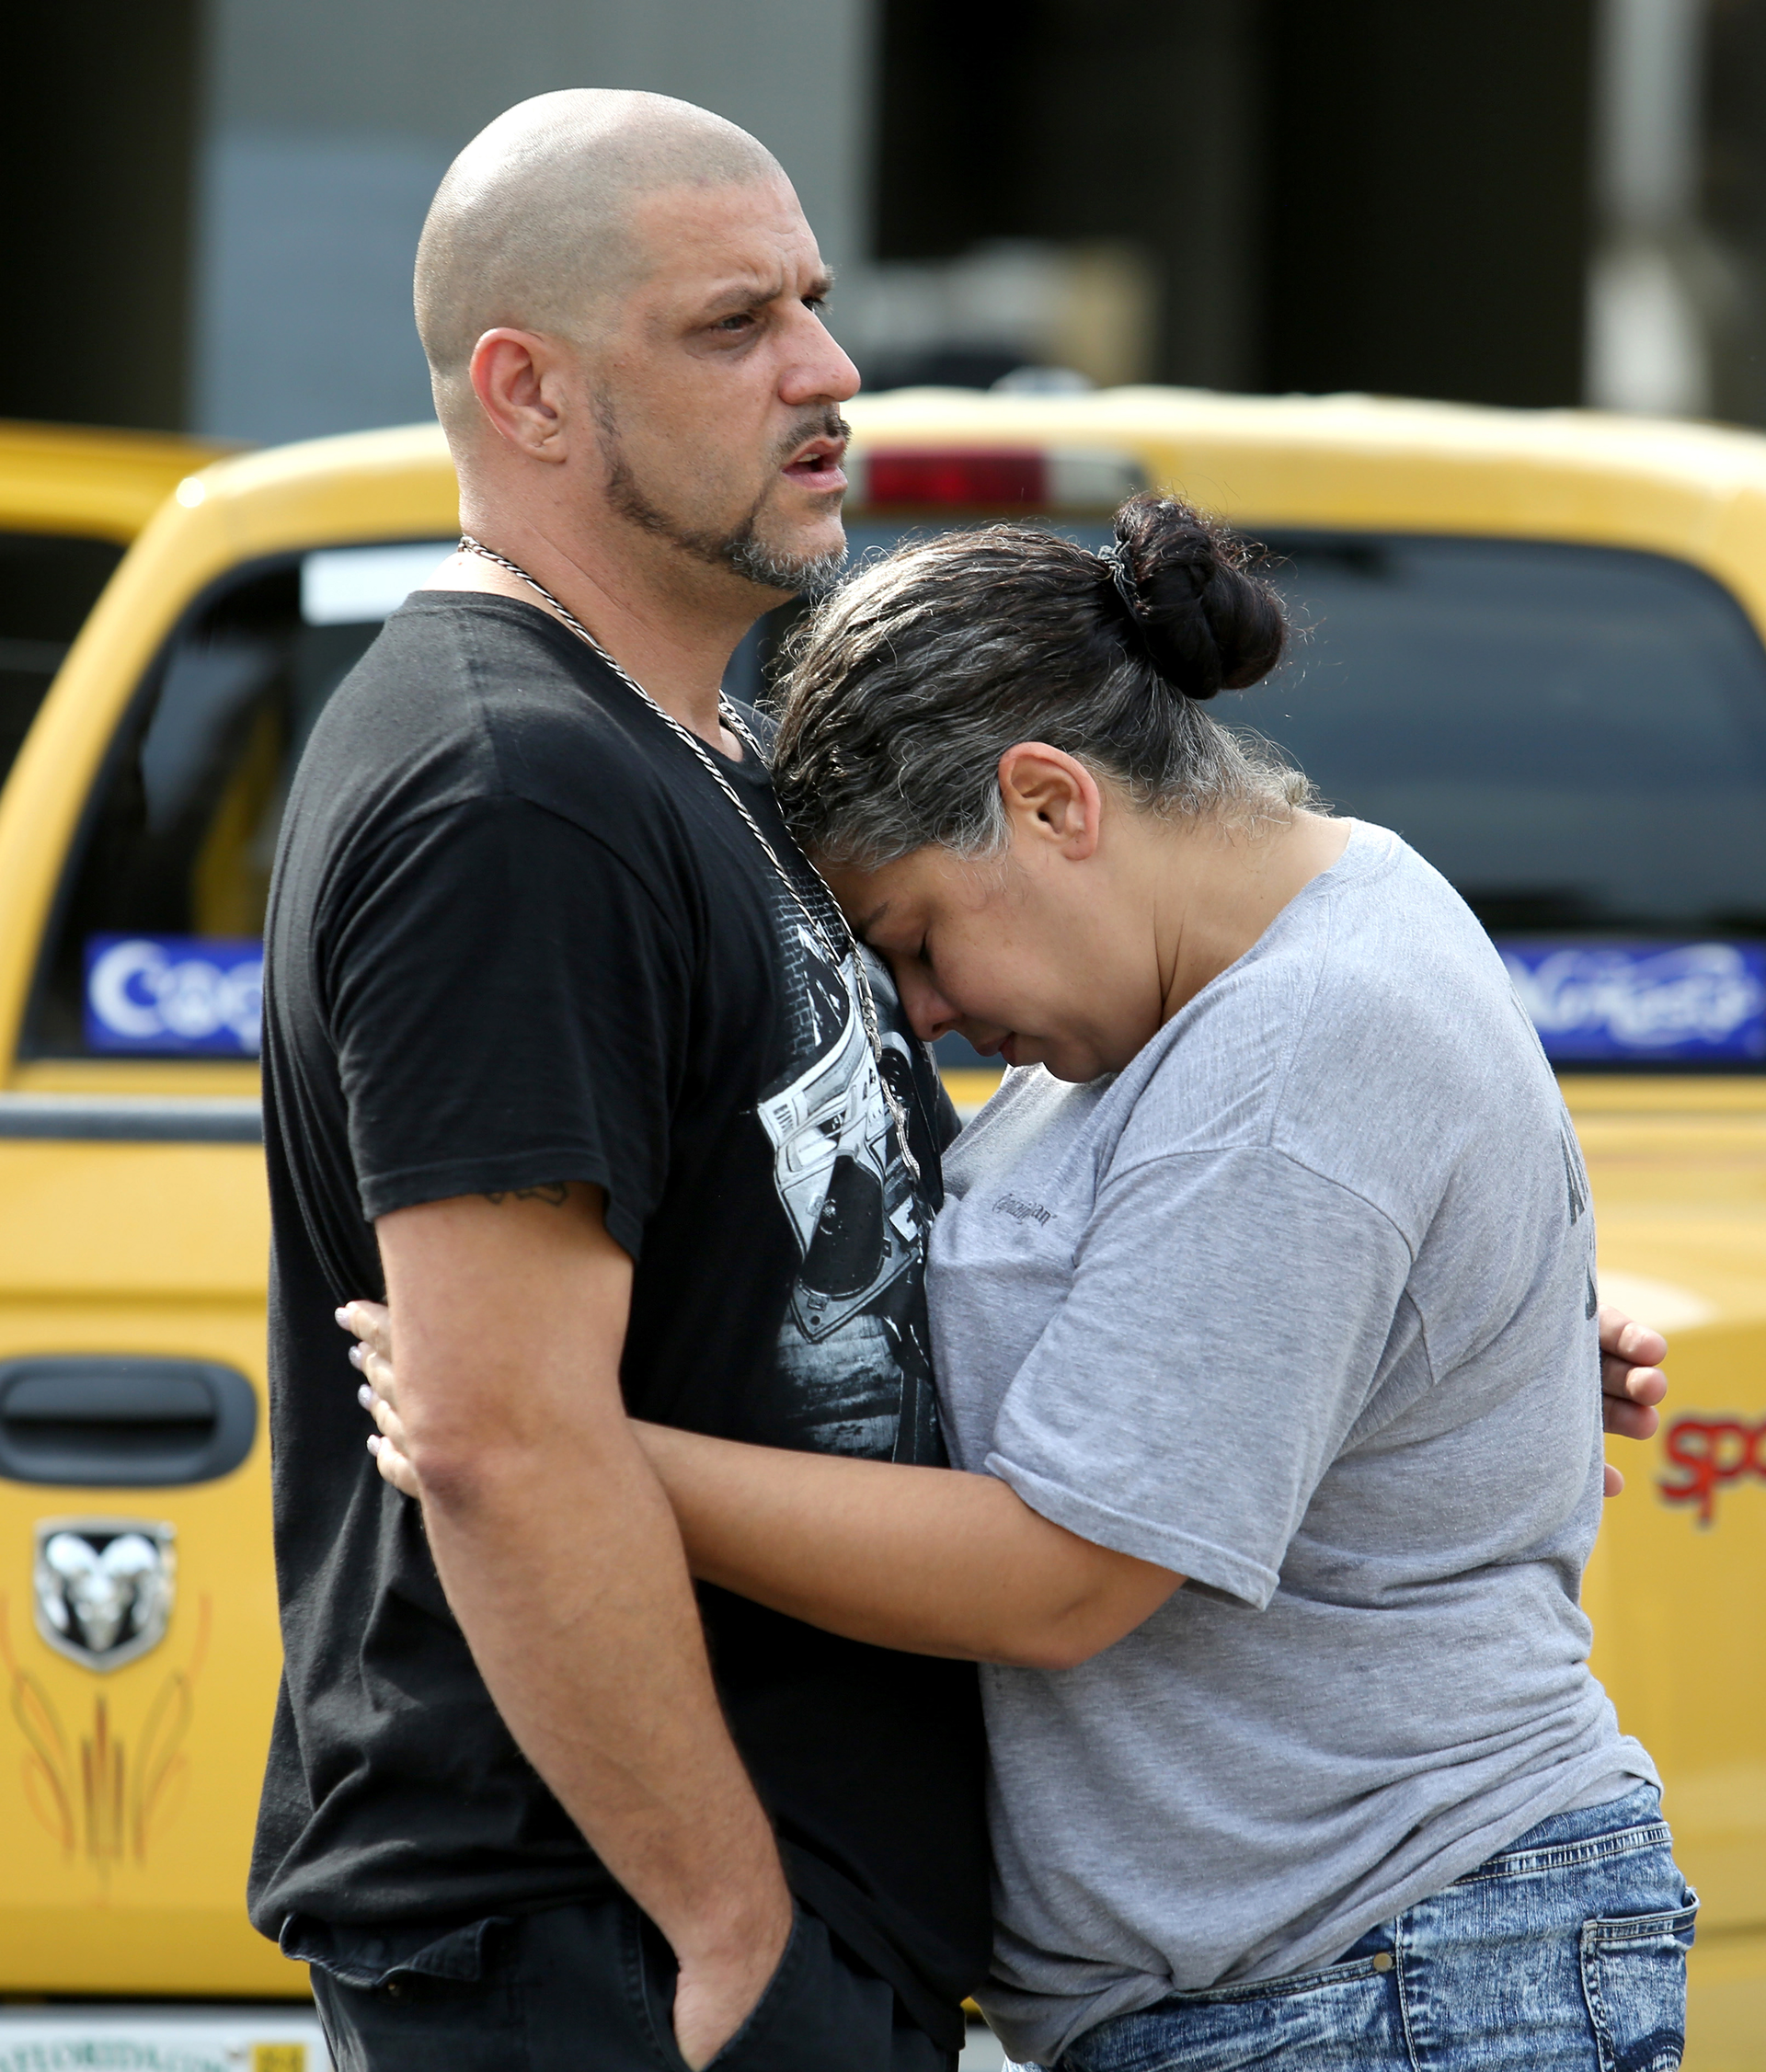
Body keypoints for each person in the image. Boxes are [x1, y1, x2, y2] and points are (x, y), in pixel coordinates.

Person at [351, 494, 1688, 2071]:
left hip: (1387, 1976)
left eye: (914, 942)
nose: (921, 1015)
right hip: (1326, 1975)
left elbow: (1062, 1580)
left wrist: (565, 1449)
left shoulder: (1296, 1050)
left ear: (1051, 804)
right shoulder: (1220, 974)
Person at [250, 89, 990, 2071]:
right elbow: (495, 1435)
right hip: (606, 1947)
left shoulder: (688, 754)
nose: (830, 375)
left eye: (817, 306)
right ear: (534, 393)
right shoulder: (514, 791)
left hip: (707, 1935)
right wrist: (736, 1939)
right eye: (733, 325)